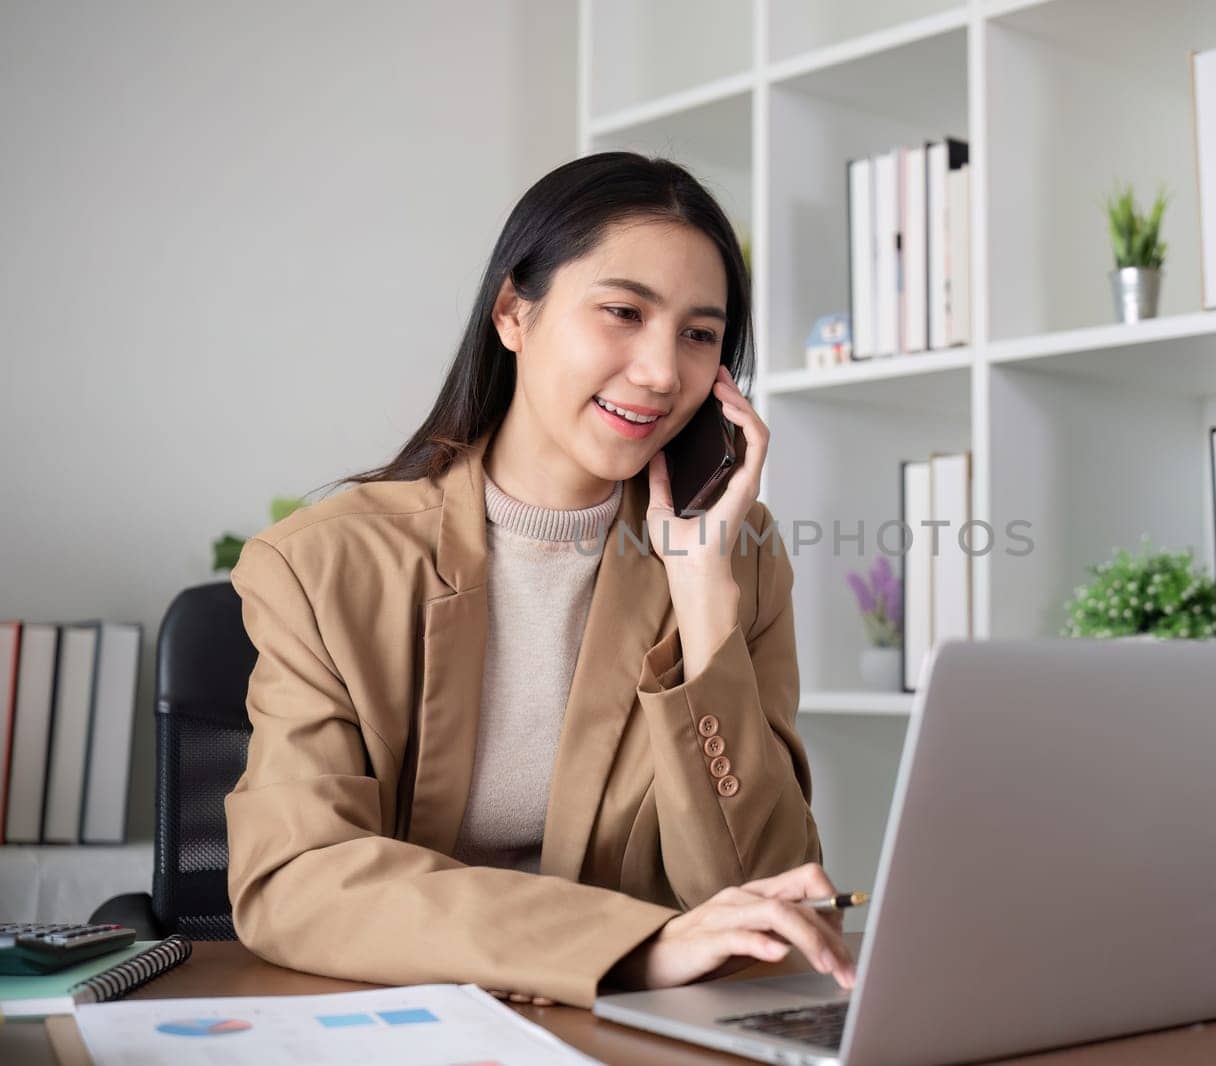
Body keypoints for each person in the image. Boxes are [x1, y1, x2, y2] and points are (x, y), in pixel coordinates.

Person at [223, 151, 855, 1009]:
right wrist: (628, 948)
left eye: (699, 335)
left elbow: (767, 898)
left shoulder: (733, 553)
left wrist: (703, 599)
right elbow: (296, 878)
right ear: (514, 313)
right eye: (624, 312)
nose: (663, 372)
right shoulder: (322, 567)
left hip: (635, 1041)